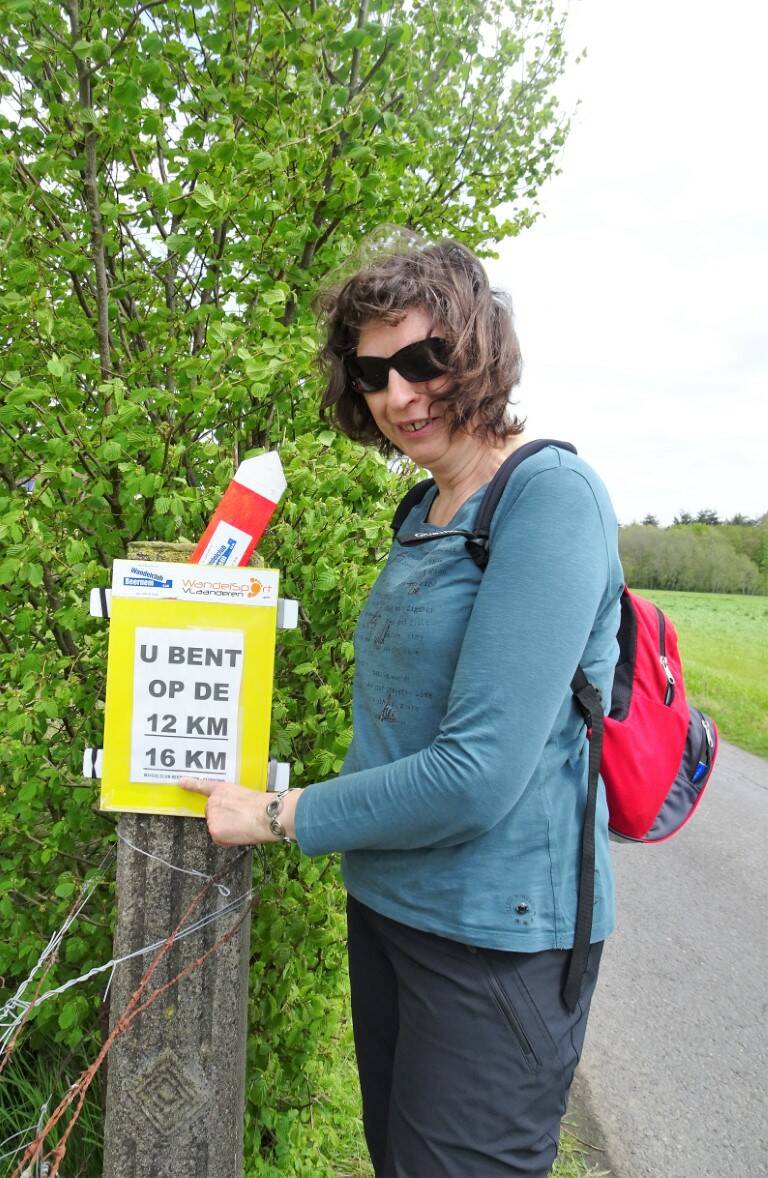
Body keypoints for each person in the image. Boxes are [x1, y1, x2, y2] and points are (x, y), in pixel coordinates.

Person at [181, 238, 624, 1177]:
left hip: (496, 942)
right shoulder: (424, 509)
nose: (400, 394)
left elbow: (475, 775)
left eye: (424, 360)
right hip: (390, 910)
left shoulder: (549, 498)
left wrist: (275, 814)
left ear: (480, 351)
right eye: (373, 373)